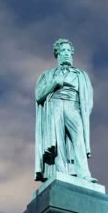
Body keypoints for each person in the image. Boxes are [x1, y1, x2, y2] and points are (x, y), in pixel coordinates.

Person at [34, 38, 97, 183]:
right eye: (63, 51)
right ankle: (61, 173)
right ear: (58, 54)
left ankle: (84, 174)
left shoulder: (80, 74)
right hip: (55, 105)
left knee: (78, 139)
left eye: (69, 51)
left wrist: (83, 112)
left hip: (73, 106)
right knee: (57, 140)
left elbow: (88, 99)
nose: (67, 54)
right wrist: (55, 83)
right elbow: (39, 96)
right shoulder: (48, 75)